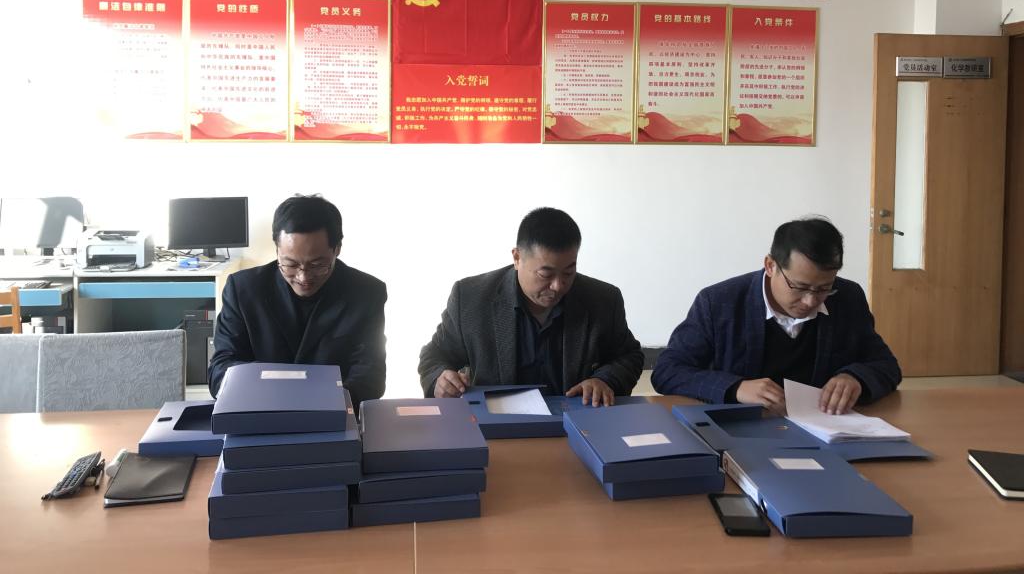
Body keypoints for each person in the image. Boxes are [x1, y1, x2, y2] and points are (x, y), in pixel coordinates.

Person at [652, 217, 901, 415]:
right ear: (770, 266)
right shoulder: (719, 302)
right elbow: (667, 370)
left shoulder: (847, 297)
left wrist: (856, 378)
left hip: (823, 430)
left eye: (824, 288)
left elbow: (886, 364)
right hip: (742, 431)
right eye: (799, 287)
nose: (810, 301)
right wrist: (735, 388)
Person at [418, 207, 644, 406]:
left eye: (568, 272)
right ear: (517, 258)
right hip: (498, 424)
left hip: (578, 419)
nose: (558, 286)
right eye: (546, 274)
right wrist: (440, 379)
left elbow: (629, 356)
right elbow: (434, 356)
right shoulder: (471, 298)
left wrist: (604, 380)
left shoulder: (603, 299)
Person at [208, 194, 386, 411]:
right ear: (277, 249)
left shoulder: (366, 292)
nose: (303, 277)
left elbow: (370, 375)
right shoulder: (243, 290)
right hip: (259, 412)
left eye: (317, 265)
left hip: (333, 414)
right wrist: (275, 390)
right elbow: (221, 369)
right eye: (290, 264)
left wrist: (319, 402)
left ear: (337, 249)